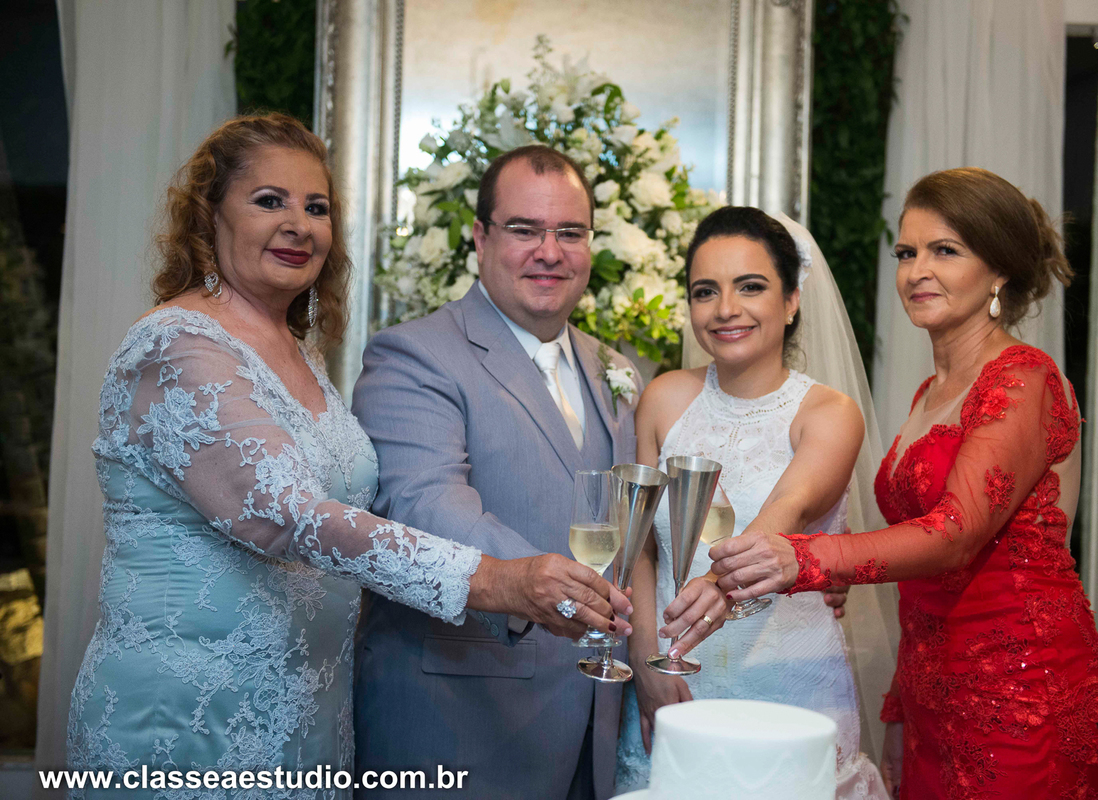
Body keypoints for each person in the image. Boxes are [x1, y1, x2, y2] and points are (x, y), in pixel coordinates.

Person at [65, 115, 626, 798]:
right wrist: (503, 581)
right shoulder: (177, 344)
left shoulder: (297, 353)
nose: (299, 223)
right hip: (193, 713)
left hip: (309, 715)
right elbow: (289, 516)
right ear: (210, 216)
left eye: (317, 207)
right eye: (270, 200)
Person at [703, 169, 1098, 798]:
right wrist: (901, 700)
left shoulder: (1024, 379)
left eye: (944, 251)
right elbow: (925, 575)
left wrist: (808, 559)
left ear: (999, 271)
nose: (917, 270)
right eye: (906, 252)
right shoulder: (930, 393)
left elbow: (954, 536)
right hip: (934, 689)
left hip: (1023, 690)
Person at [351, 145, 649, 799]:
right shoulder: (414, 354)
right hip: (462, 722)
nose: (550, 251)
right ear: (481, 238)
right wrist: (552, 587)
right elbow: (425, 505)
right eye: (525, 230)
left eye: (569, 232)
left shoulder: (617, 368)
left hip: (593, 721)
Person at [614, 207, 891, 797]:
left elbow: (782, 515)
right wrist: (645, 661)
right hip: (676, 675)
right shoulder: (664, 399)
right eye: (705, 291)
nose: (726, 309)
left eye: (751, 287)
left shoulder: (828, 413)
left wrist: (717, 586)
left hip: (790, 682)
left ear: (791, 301)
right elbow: (638, 545)